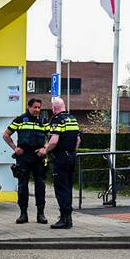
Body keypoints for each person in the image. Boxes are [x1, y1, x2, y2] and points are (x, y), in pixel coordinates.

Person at [3, 97, 49, 224]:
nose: (37, 110)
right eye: (35, 107)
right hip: (23, 157)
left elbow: (50, 138)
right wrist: (15, 148)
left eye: (39, 107)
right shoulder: (20, 120)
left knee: (40, 185)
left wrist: (45, 148)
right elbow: (6, 134)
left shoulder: (43, 121)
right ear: (28, 107)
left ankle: (41, 214)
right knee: (23, 185)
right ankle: (23, 214)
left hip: (38, 157)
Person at [38, 96, 81, 230]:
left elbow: (54, 141)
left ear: (54, 108)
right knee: (68, 188)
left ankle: (63, 219)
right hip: (72, 157)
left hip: (61, 157)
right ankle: (69, 219)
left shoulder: (57, 120)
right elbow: (78, 140)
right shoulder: (72, 119)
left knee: (61, 189)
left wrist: (45, 150)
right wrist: (72, 151)